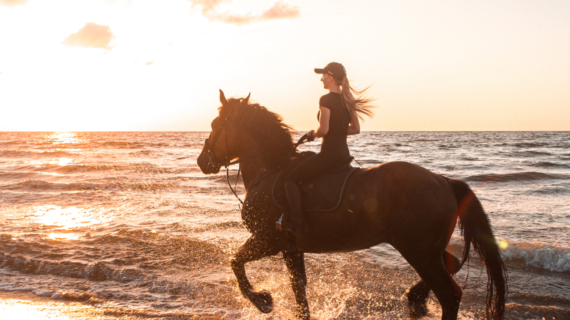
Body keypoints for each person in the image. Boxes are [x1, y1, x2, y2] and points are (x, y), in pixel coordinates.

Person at [281, 62, 375, 237]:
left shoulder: (326, 99)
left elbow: (323, 130)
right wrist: (337, 129)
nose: (321, 79)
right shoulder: (348, 100)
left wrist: (312, 134)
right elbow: (355, 129)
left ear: (330, 78)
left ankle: (297, 224)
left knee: (290, 178)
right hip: (343, 155)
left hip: (329, 155)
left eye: (323, 76)